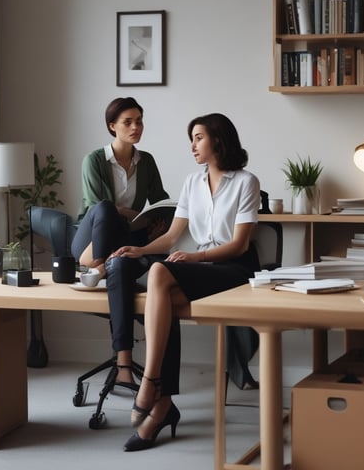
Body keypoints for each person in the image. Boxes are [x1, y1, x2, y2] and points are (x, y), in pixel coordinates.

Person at [109, 113, 260, 451]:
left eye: (198, 137)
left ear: (218, 140)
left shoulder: (245, 181)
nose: (192, 145)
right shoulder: (193, 182)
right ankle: (161, 404)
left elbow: (240, 245)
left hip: (235, 269)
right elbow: (173, 236)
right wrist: (140, 249)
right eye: (191, 138)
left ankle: (152, 384)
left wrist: (194, 257)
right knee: (163, 299)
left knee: (160, 276)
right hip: (206, 267)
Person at [71, 96, 170, 385]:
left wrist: (159, 222)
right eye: (128, 122)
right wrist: (137, 214)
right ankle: (98, 265)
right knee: (103, 208)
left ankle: (125, 365)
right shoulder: (94, 160)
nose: (135, 126)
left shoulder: (146, 161)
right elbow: (98, 206)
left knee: (125, 267)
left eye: (139, 120)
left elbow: (160, 202)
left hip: (126, 241)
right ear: (112, 126)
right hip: (90, 243)